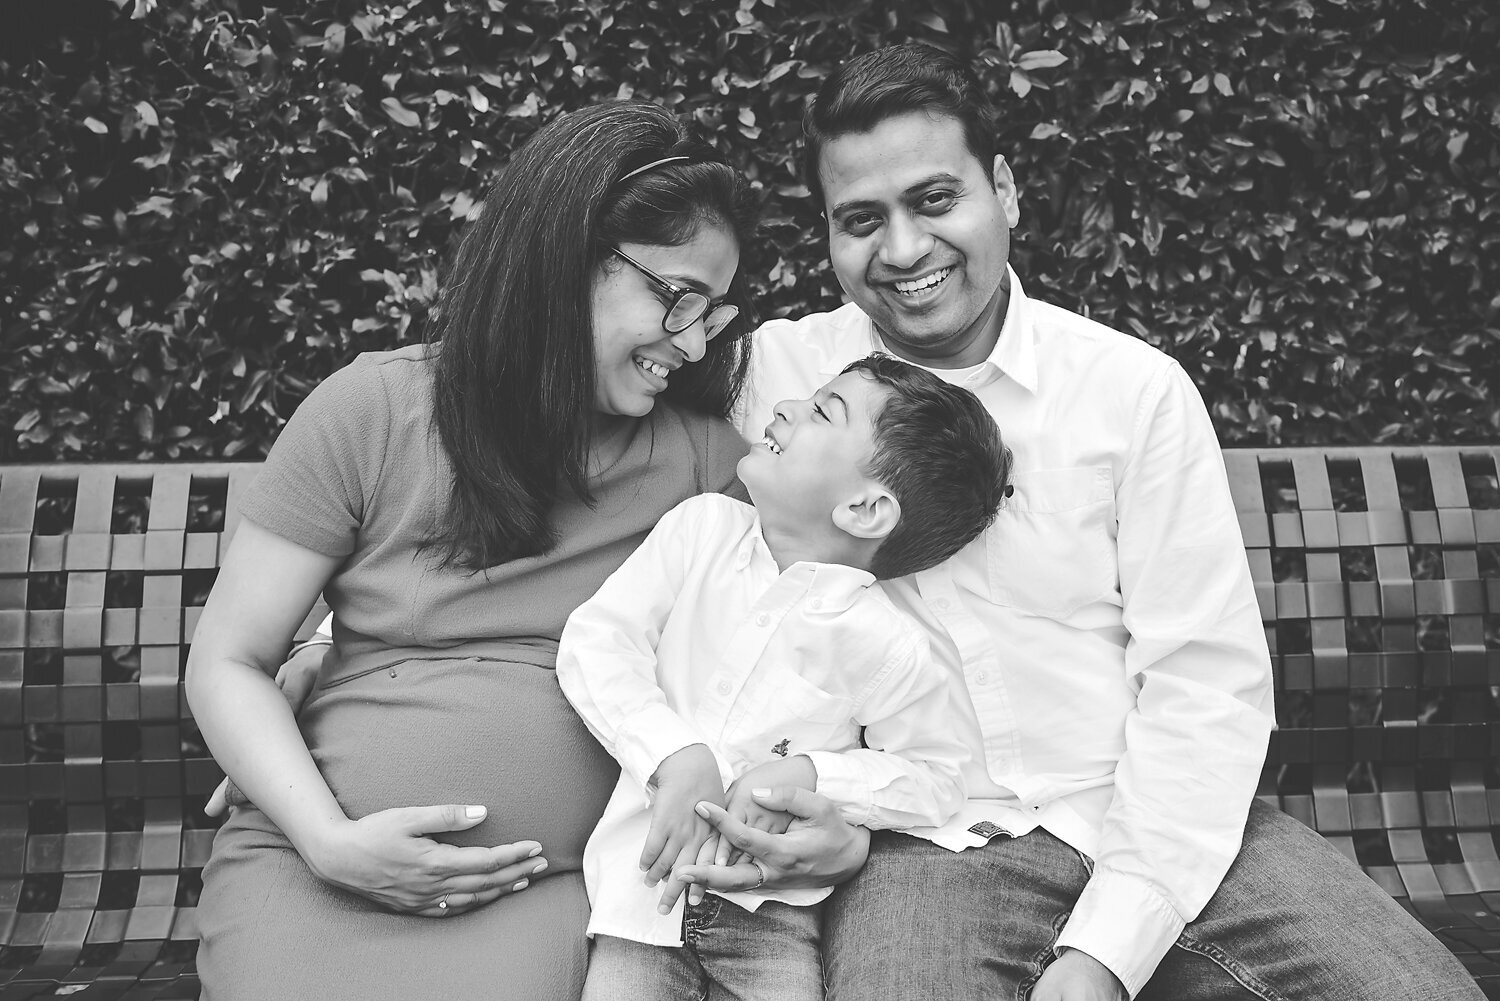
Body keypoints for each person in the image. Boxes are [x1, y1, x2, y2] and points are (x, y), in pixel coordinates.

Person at [675, 43, 1486, 1001]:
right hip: (931, 842)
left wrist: (1106, 950)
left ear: (1006, 191)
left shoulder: (1127, 392)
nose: (901, 250)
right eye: (861, 220)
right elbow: (578, 349)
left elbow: (1202, 681)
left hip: (1156, 819)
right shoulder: (773, 378)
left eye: (935, 200)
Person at [184, 100, 760, 1001]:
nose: (689, 343)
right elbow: (228, 659)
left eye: (712, 313)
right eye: (674, 297)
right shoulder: (372, 411)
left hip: (543, 886)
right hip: (313, 865)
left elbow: (776, 665)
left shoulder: (704, 467)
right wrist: (331, 840)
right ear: (564, 259)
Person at [557, 354, 1010, 1000]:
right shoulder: (701, 532)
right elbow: (596, 642)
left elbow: (936, 776)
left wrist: (817, 775)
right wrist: (673, 752)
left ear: (864, 508)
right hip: (642, 902)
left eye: (823, 409)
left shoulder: (886, 643)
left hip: (772, 922)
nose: (785, 408)